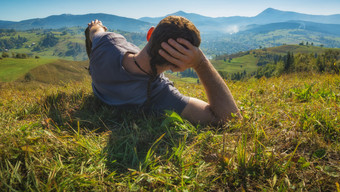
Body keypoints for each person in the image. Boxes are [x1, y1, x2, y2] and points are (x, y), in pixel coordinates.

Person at [85, 16, 240, 125]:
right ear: (177, 67)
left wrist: (97, 26)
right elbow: (230, 118)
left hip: (101, 88)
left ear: (150, 33)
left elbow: (94, 31)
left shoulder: (108, 43)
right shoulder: (162, 97)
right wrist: (200, 63)